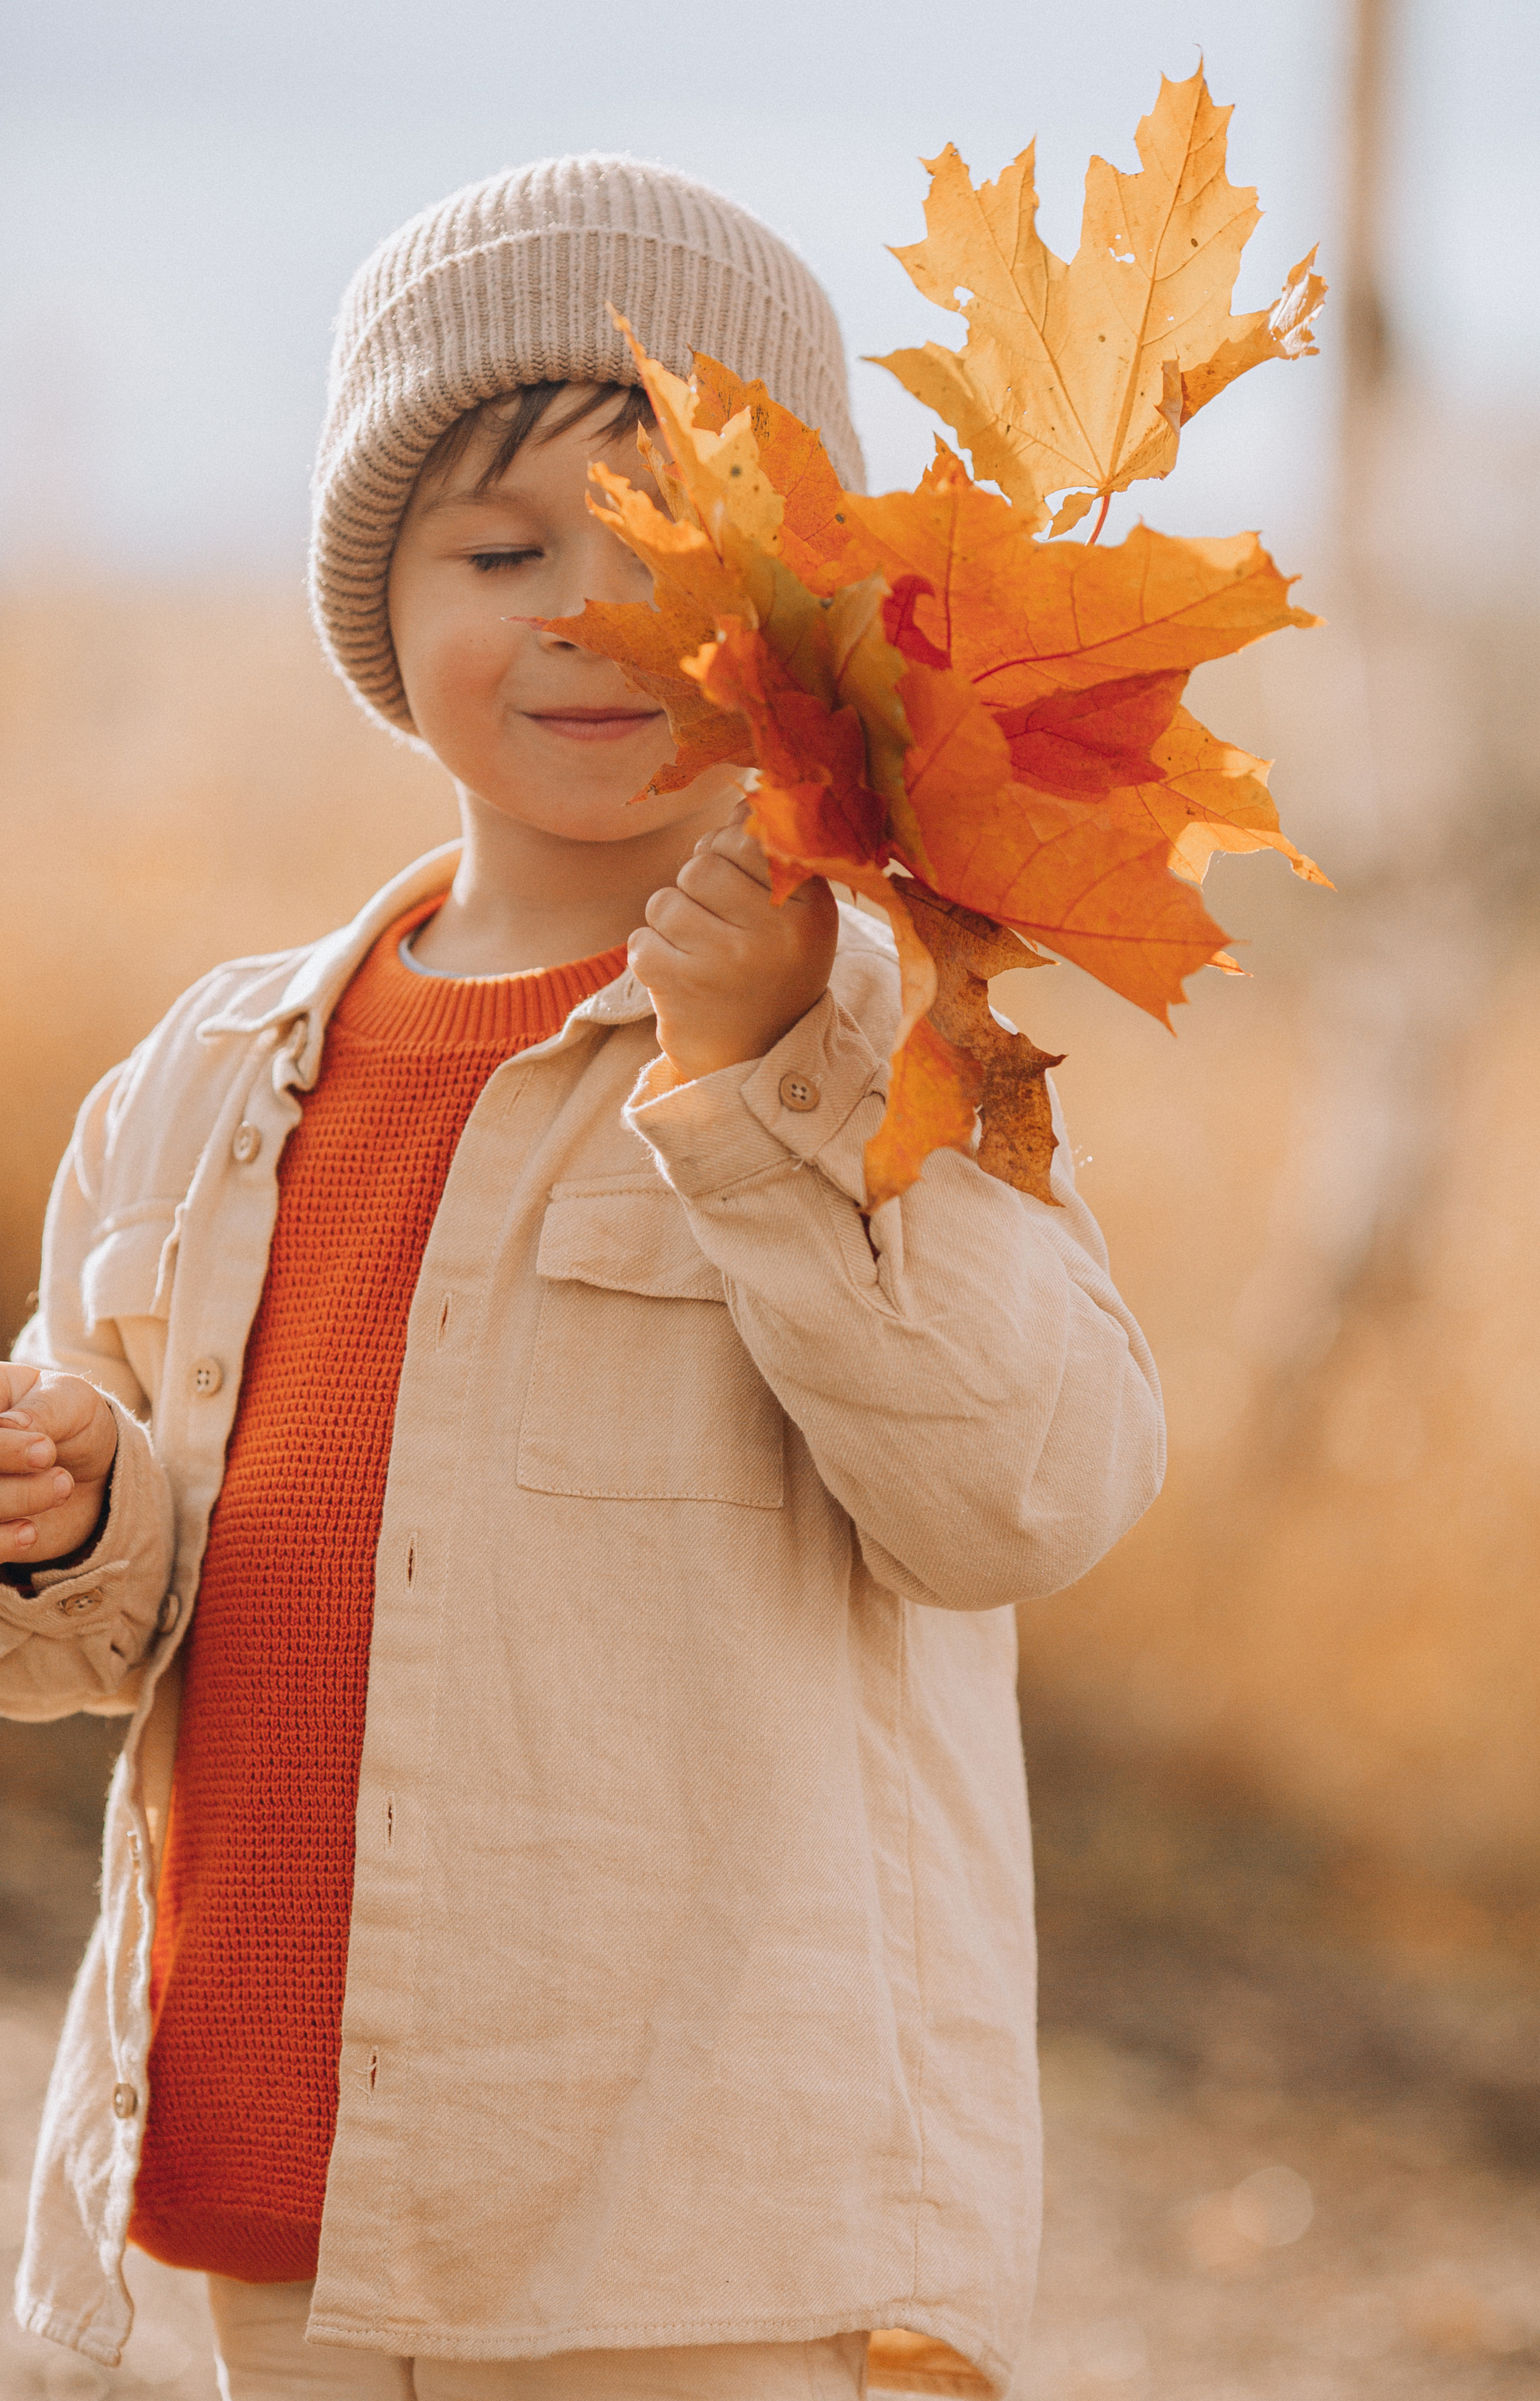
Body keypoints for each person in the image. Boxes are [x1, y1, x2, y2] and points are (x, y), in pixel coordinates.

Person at [0, 156, 1164, 2400]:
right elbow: (118, 1632)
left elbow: (1029, 1494)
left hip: (691, 2233)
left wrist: (760, 1082)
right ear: (381, 603)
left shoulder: (880, 1041)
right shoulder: (209, 1079)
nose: (587, 619)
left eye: (666, 552)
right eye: (500, 551)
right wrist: (75, 1507)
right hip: (271, 2189)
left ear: (802, 613)